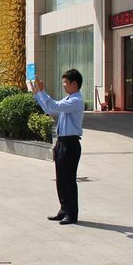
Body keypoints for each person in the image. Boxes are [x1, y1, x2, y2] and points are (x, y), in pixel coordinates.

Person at [29, 69, 85, 225]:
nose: (63, 85)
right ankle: (64, 209)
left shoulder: (76, 100)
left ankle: (71, 214)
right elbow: (49, 109)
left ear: (74, 83)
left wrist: (42, 92)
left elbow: (54, 105)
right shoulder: (68, 99)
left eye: (66, 82)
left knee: (68, 180)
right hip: (62, 142)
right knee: (61, 179)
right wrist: (38, 94)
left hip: (70, 143)